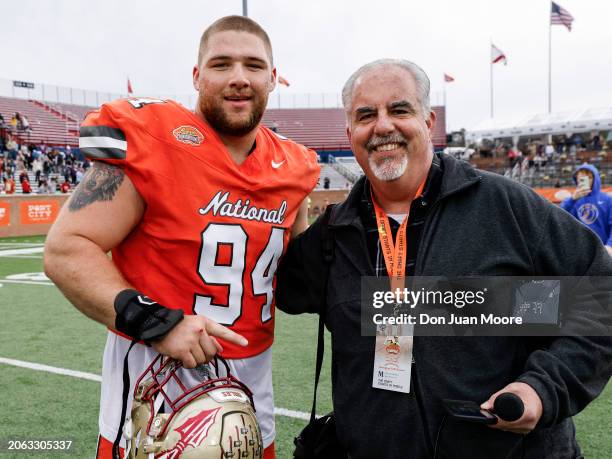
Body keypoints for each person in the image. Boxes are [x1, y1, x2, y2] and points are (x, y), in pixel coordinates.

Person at [275, 58, 612, 458]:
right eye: (367, 115)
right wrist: (289, 197)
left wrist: (542, 389)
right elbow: (282, 290)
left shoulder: (506, 207)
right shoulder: (332, 233)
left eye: (399, 109)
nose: (383, 125)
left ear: (429, 121)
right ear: (350, 133)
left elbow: (601, 295)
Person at [44, 15, 319, 459]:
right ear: (196, 75)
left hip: (252, 391)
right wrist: (156, 323)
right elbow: (65, 250)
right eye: (221, 64)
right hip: (154, 389)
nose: (238, 79)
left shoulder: (295, 167)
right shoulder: (156, 140)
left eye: (253, 65)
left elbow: (300, 276)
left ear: (273, 77)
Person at [560, 164, 612, 256]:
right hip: (578, 251)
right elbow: (559, 218)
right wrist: (572, 200)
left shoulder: (607, 199)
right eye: (580, 178)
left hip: (603, 250)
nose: (583, 181)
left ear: (595, 179)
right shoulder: (571, 200)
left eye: (588, 178)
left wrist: (610, 245)